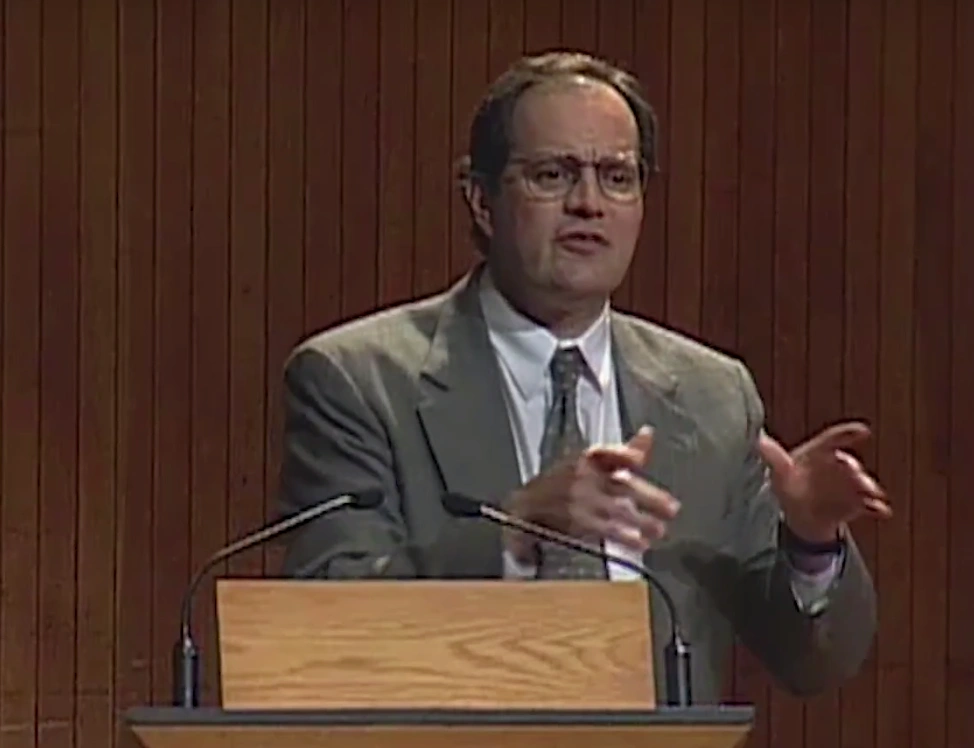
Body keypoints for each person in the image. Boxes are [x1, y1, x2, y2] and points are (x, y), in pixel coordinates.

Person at [276, 50, 892, 704]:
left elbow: (814, 664)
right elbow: (332, 624)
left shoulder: (713, 396)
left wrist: (810, 540)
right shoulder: (357, 381)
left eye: (617, 176)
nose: (589, 203)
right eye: (553, 174)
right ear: (481, 200)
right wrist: (515, 531)